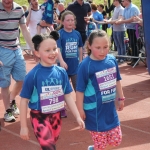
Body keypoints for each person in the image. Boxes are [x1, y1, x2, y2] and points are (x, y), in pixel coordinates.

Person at [20, 31, 85, 150]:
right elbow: (24, 100)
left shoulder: (61, 72)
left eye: (55, 48)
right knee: (49, 147)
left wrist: (77, 116)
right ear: (37, 53)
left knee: (50, 145)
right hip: (39, 116)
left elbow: (68, 96)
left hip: (56, 116)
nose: (52, 53)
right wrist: (23, 126)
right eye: (47, 50)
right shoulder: (33, 75)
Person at [76, 29, 125, 150]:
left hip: (109, 109)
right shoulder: (85, 65)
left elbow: (117, 79)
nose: (102, 51)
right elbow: (80, 90)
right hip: (94, 111)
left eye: (106, 47)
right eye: (98, 47)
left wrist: (121, 97)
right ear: (89, 46)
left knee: (116, 140)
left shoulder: (111, 60)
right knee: (101, 144)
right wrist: (80, 110)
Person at [0, 0, 34, 122]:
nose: (7, 2)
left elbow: (24, 29)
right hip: (2, 49)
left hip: (16, 48)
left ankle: (12, 100)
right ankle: (8, 111)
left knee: (21, 79)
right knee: (5, 83)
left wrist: (33, 48)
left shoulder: (19, 9)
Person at [57, 11, 83, 91]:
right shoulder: (59, 34)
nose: (70, 22)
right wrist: (61, 61)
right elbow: (57, 49)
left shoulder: (77, 34)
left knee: (78, 88)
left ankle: (79, 103)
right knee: (63, 88)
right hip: (64, 66)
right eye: (68, 20)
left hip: (75, 66)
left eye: (72, 20)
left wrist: (81, 61)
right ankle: (62, 103)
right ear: (62, 22)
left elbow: (80, 48)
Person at [116, 0, 140, 66]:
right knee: (131, 44)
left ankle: (135, 60)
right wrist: (119, 21)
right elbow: (122, 17)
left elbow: (132, 19)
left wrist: (121, 21)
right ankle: (133, 59)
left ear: (127, 1)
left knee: (134, 44)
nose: (121, 2)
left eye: (123, 1)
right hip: (129, 28)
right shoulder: (125, 9)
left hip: (134, 29)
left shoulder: (133, 8)